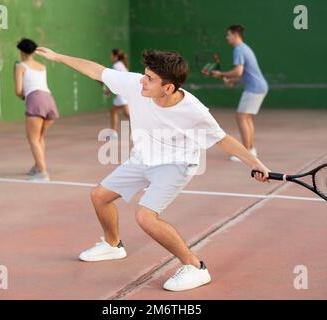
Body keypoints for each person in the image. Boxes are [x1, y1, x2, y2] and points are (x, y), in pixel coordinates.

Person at [36, 46, 270, 291]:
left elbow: (223, 139)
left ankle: (195, 266)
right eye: (145, 75)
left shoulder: (194, 110)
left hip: (175, 164)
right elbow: (96, 70)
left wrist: (256, 163)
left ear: (168, 88)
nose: (142, 82)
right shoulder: (136, 85)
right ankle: (113, 245)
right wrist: (59, 57)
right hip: (143, 158)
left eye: (150, 79)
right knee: (99, 196)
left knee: (145, 217)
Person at [212, 25, 268, 162]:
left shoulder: (239, 49)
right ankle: (250, 150)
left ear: (236, 35)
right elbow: (245, 73)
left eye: (228, 35)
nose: (227, 38)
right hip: (260, 86)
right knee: (246, 118)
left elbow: (238, 71)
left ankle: (247, 153)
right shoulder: (245, 48)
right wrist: (232, 81)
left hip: (254, 88)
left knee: (241, 117)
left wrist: (221, 74)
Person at [14, 38, 59, 182]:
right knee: (39, 137)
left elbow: (19, 91)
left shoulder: (20, 66)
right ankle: (37, 166)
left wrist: (23, 96)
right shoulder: (42, 66)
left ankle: (43, 172)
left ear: (21, 52)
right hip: (49, 101)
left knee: (33, 138)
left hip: (36, 100)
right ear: (33, 51)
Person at [104, 49, 130, 140]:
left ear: (115, 56)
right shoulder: (122, 65)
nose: (110, 57)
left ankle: (144, 131)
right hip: (124, 92)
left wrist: (108, 90)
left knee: (128, 114)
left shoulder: (116, 66)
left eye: (111, 55)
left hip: (122, 93)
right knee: (114, 111)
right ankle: (113, 134)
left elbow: (114, 81)